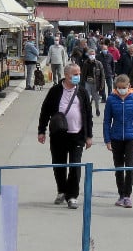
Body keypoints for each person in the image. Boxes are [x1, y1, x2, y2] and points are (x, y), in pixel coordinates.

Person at [38, 64, 94, 209]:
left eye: (79, 73)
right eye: (75, 74)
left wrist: (89, 136)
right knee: (59, 164)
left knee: (75, 165)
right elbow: (45, 111)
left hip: (77, 135)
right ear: (66, 75)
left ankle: (72, 195)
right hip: (59, 135)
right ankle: (62, 190)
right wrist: (41, 130)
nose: (78, 76)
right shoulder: (55, 91)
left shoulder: (82, 91)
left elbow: (88, 114)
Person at [103, 74, 133, 208]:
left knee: (130, 166)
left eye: (124, 87)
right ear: (116, 87)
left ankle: (127, 195)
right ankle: (121, 195)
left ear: (129, 86)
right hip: (116, 138)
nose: (122, 90)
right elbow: (106, 121)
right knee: (119, 168)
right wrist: (107, 140)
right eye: (119, 88)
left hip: (131, 138)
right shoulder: (111, 99)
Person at [80, 48, 106, 117]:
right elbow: (83, 74)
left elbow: (102, 75)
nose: (92, 55)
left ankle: (97, 109)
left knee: (96, 99)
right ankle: (90, 112)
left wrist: (102, 85)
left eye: (93, 54)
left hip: (95, 83)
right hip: (87, 83)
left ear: (95, 54)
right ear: (88, 55)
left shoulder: (98, 63)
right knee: (88, 98)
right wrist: (81, 84)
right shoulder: (85, 63)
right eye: (90, 54)